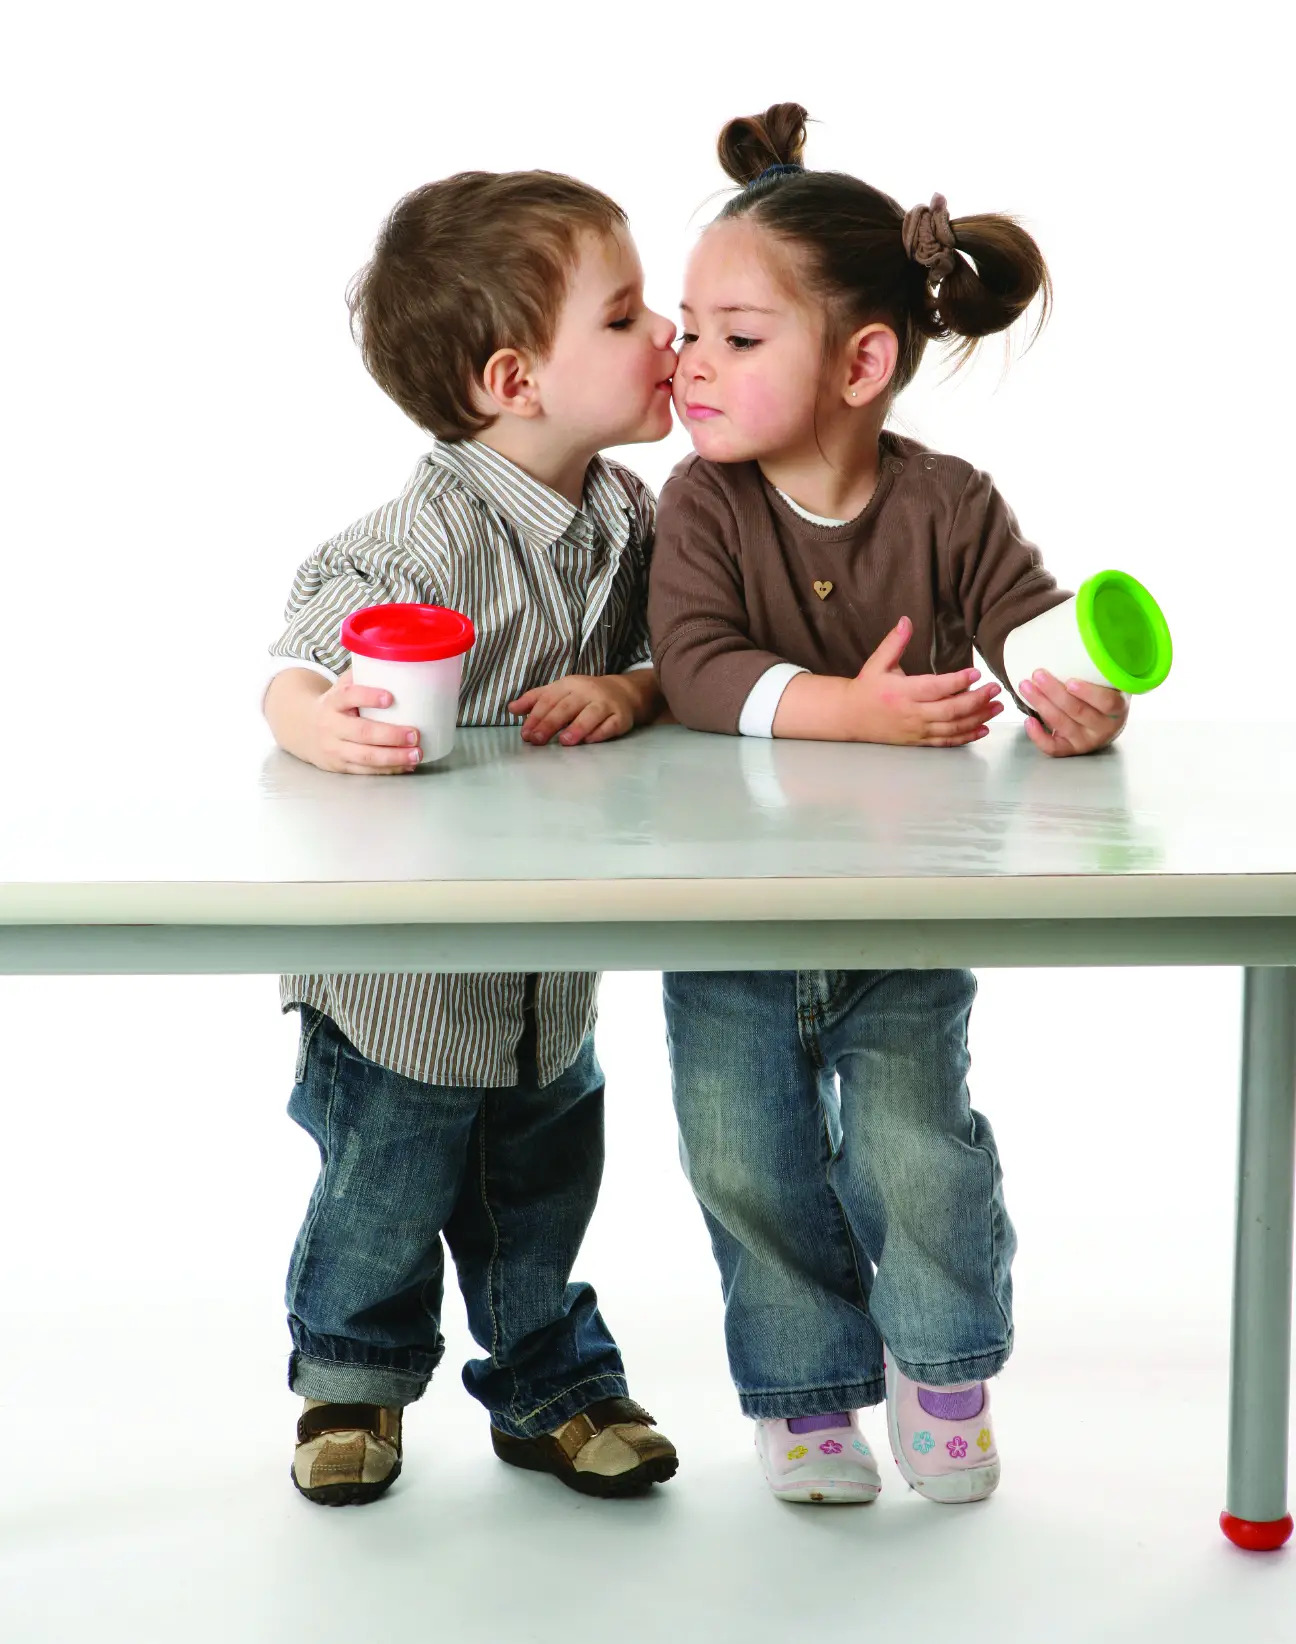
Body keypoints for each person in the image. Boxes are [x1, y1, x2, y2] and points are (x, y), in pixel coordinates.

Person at [649, 103, 1129, 1507]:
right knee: (748, 1157)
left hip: (904, 903)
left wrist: (1072, 698)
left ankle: (942, 1366)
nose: (691, 365)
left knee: (924, 1149)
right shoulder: (702, 508)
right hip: (733, 912)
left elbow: (1029, 623)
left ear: (863, 362)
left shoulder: (950, 505)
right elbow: (692, 670)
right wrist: (845, 707)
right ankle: (802, 1395)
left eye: (737, 338)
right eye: (687, 330)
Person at [263, 168, 681, 1505]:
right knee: (384, 1195)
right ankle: (352, 1377)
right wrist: (308, 718)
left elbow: (685, 655)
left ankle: (550, 1380)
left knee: (543, 1188)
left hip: (545, 967)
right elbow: (304, 644)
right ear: (516, 379)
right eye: (625, 317)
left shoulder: (628, 518)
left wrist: (633, 686)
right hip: (406, 980)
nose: (668, 330)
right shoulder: (425, 538)